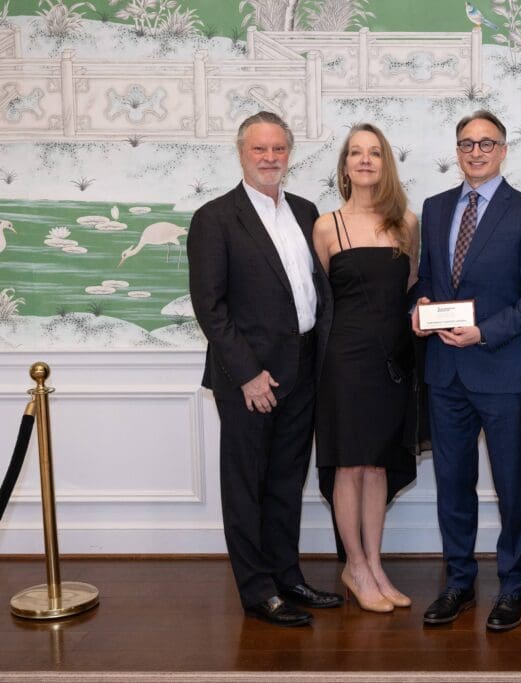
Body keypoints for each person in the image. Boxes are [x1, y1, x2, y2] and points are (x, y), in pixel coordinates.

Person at [187, 111, 341, 627]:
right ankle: (256, 590)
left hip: (301, 372)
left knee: (286, 481)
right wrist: (248, 374)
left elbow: (318, 291)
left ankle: (286, 576)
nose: (270, 158)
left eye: (278, 149)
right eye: (260, 149)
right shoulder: (215, 218)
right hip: (249, 378)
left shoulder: (305, 210)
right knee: (247, 484)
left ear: (289, 155)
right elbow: (211, 307)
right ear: (241, 153)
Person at [412, 110, 521, 632]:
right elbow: (426, 279)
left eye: (487, 143)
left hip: (501, 372)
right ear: (457, 150)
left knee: (513, 488)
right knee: (453, 485)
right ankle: (458, 583)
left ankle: (515, 585)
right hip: (445, 373)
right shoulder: (433, 209)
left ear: (503, 150)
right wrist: (419, 308)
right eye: (467, 143)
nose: (476, 152)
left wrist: (486, 331)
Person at [312, 123, 419, 613]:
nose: (365, 160)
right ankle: (353, 566)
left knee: (376, 465)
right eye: (356, 152)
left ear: (385, 162)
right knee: (349, 463)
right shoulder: (325, 226)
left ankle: (375, 565)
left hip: (392, 362)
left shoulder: (406, 224)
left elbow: (411, 288)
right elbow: (321, 301)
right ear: (345, 164)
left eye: (375, 152)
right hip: (344, 361)